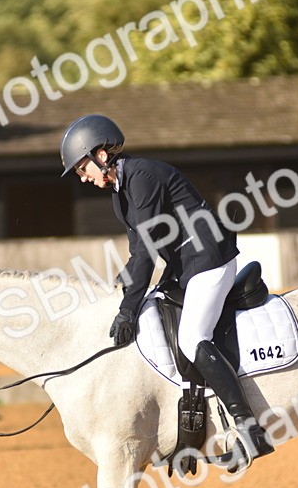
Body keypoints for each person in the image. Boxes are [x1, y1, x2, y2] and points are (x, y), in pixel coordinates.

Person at [59, 114, 273, 465]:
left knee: (191, 338)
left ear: (100, 153)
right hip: (183, 267)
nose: (83, 177)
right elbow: (136, 256)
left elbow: (145, 253)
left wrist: (127, 309)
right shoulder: (121, 193)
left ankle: (249, 429)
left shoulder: (142, 177)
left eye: (83, 168)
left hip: (209, 259)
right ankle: (186, 432)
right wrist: (120, 290)